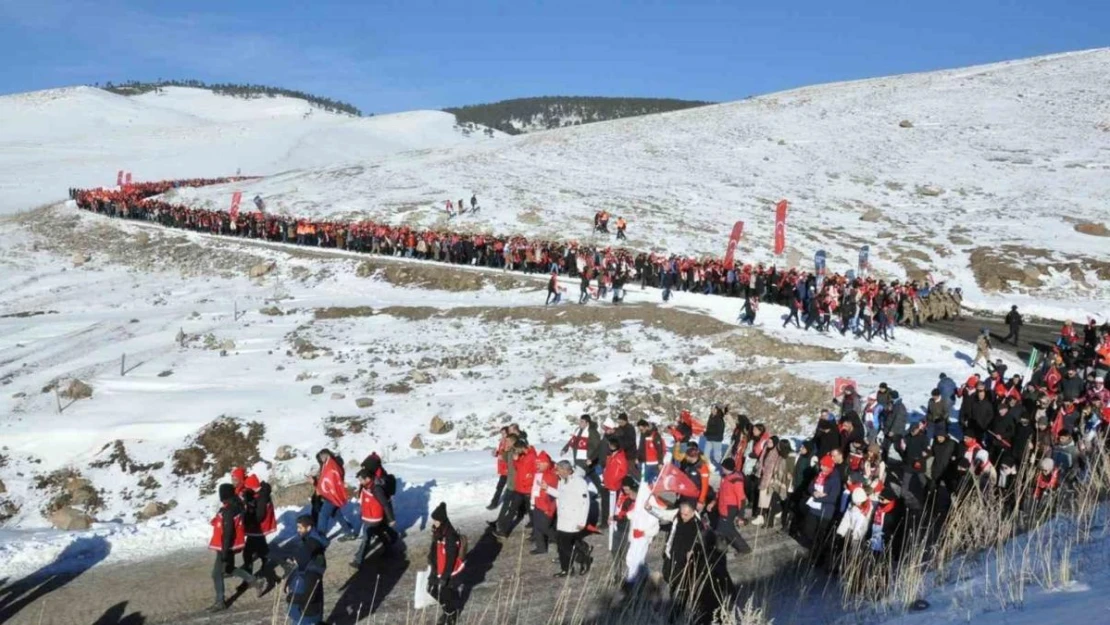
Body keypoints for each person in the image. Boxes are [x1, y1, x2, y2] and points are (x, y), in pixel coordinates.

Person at [208, 483, 263, 612]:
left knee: (216, 574)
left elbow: (228, 532)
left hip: (225, 546)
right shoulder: (236, 506)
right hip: (231, 545)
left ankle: (220, 602)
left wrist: (225, 551)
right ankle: (254, 580)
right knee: (228, 568)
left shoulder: (228, 510)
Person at [550, 460, 592, 577]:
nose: (557, 472)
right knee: (562, 545)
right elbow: (561, 495)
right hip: (563, 519)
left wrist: (582, 521)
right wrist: (547, 488)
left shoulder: (579, 482)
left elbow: (585, 503)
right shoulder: (563, 481)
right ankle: (566, 569)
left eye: (559, 470)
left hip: (573, 519)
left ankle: (584, 559)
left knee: (565, 545)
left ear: (566, 470)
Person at [284, 515, 328, 625]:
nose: (298, 530)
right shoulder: (308, 541)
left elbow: (310, 596)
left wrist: (292, 598)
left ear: (309, 528)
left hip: (307, 613)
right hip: (302, 613)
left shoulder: (312, 570)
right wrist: (289, 582)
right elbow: (300, 566)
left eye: (300, 527)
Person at [427, 503, 466, 625]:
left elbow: (450, 559)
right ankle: (448, 610)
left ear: (442, 521)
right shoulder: (439, 531)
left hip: (448, 571)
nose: (434, 523)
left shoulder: (450, 536)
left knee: (445, 594)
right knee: (431, 590)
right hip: (437, 567)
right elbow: (434, 549)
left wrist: (445, 577)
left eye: (436, 520)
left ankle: (451, 614)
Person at [715, 458, 749, 554]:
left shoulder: (736, 480)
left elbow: (741, 499)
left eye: (723, 467)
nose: (721, 468)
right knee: (724, 529)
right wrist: (714, 502)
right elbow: (721, 491)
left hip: (730, 508)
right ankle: (722, 548)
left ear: (726, 467)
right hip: (723, 506)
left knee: (726, 530)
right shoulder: (726, 477)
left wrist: (741, 516)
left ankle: (743, 548)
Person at [487, 427, 512, 510]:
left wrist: (504, 457)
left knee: (506, 487)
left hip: (509, 469)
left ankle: (494, 503)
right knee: (500, 486)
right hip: (503, 468)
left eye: (504, 433)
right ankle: (494, 502)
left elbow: (512, 455)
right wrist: (496, 453)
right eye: (501, 433)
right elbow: (501, 452)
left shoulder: (510, 442)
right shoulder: (502, 441)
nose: (503, 435)